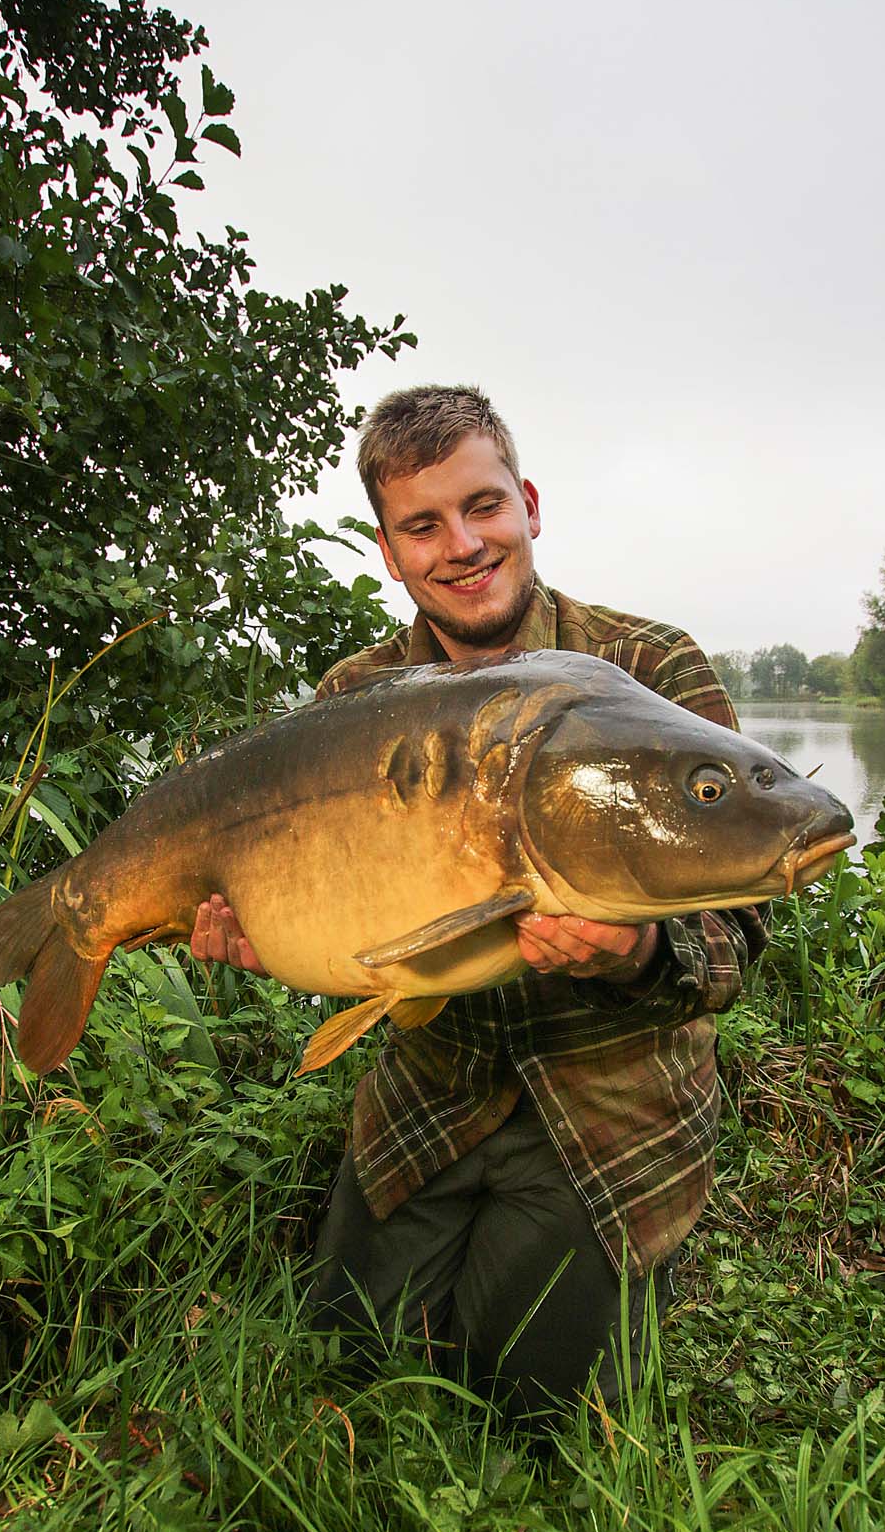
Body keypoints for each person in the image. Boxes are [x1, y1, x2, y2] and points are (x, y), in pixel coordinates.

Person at [191, 385, 766, 1417]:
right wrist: (264, 938)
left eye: (482, 507)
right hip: (431, 1091)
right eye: (424, 525)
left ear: (528, 503)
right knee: (353, 1372)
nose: (461, 544)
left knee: (535, 1413)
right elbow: (343, 932)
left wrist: (632, 956)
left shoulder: (649, 664)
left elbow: (738, 942)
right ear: (391, 551)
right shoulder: (355, 699)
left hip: (608, 1107)